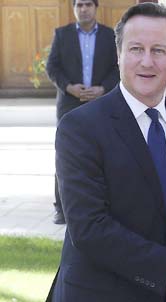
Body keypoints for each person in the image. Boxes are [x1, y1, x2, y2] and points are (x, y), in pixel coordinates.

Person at [43, 3, 166, 302]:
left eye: (159, 50)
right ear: (119, 54)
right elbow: (89, 227)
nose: (147, 61)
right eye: (136, 48)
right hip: (100, 298)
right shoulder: (80, 127)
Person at [46, 0, 119, 224]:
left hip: (101, 103)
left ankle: (105, 205)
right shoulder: (62, 34)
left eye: (88, 4)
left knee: (106, 153)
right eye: (79, 5)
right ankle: (62, 208)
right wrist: (69, 87)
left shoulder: (110, 36)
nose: (83, 9)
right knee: (66, 154)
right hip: (70, 103)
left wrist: (103, 89)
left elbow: (119, 67)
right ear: (74, 8)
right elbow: (52, 67)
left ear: (96, 7)